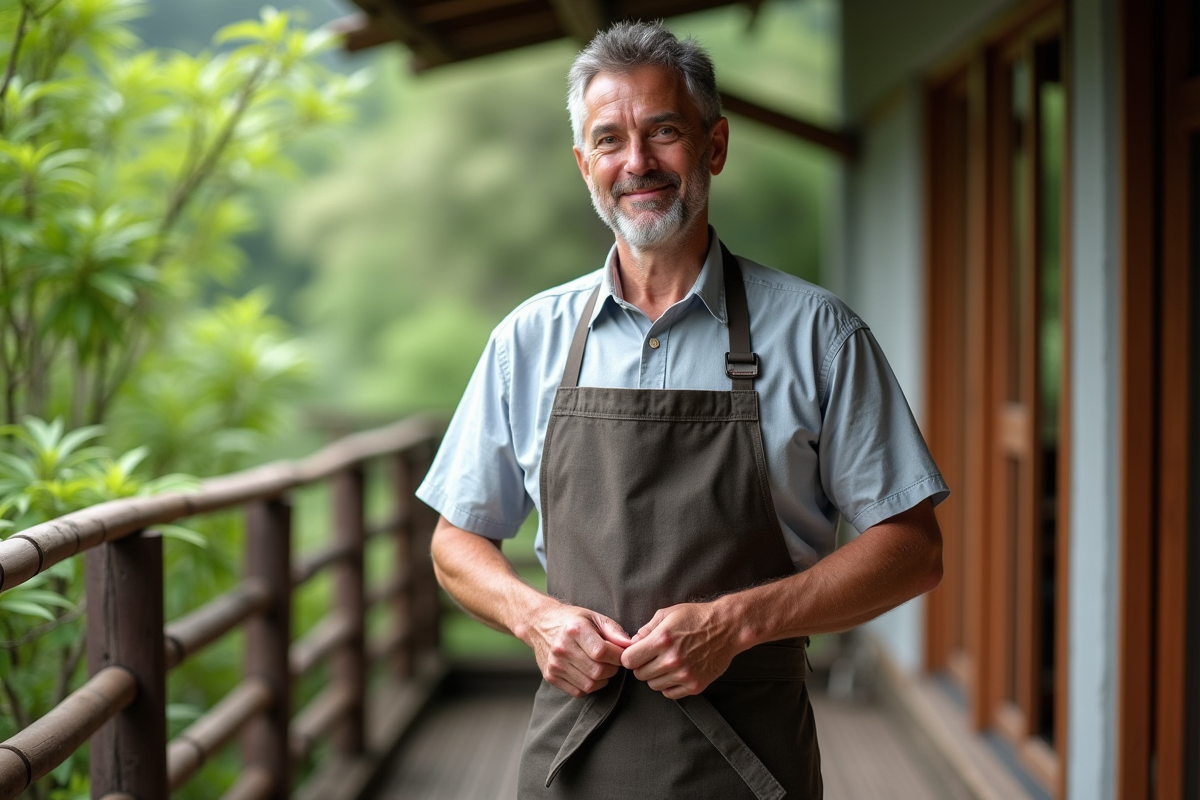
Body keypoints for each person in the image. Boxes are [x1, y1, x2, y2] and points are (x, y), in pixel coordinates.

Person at [417, 20, 948, 800]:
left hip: (752, 767)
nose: (637, 162)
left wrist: (738, 622)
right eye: (609, 140)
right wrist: (534, 618)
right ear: (584, 165)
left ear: (714, 146)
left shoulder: (819, 334)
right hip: (573, 761)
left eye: (663, 132)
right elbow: (455, 541)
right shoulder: (525, 341)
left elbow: (913, 549)